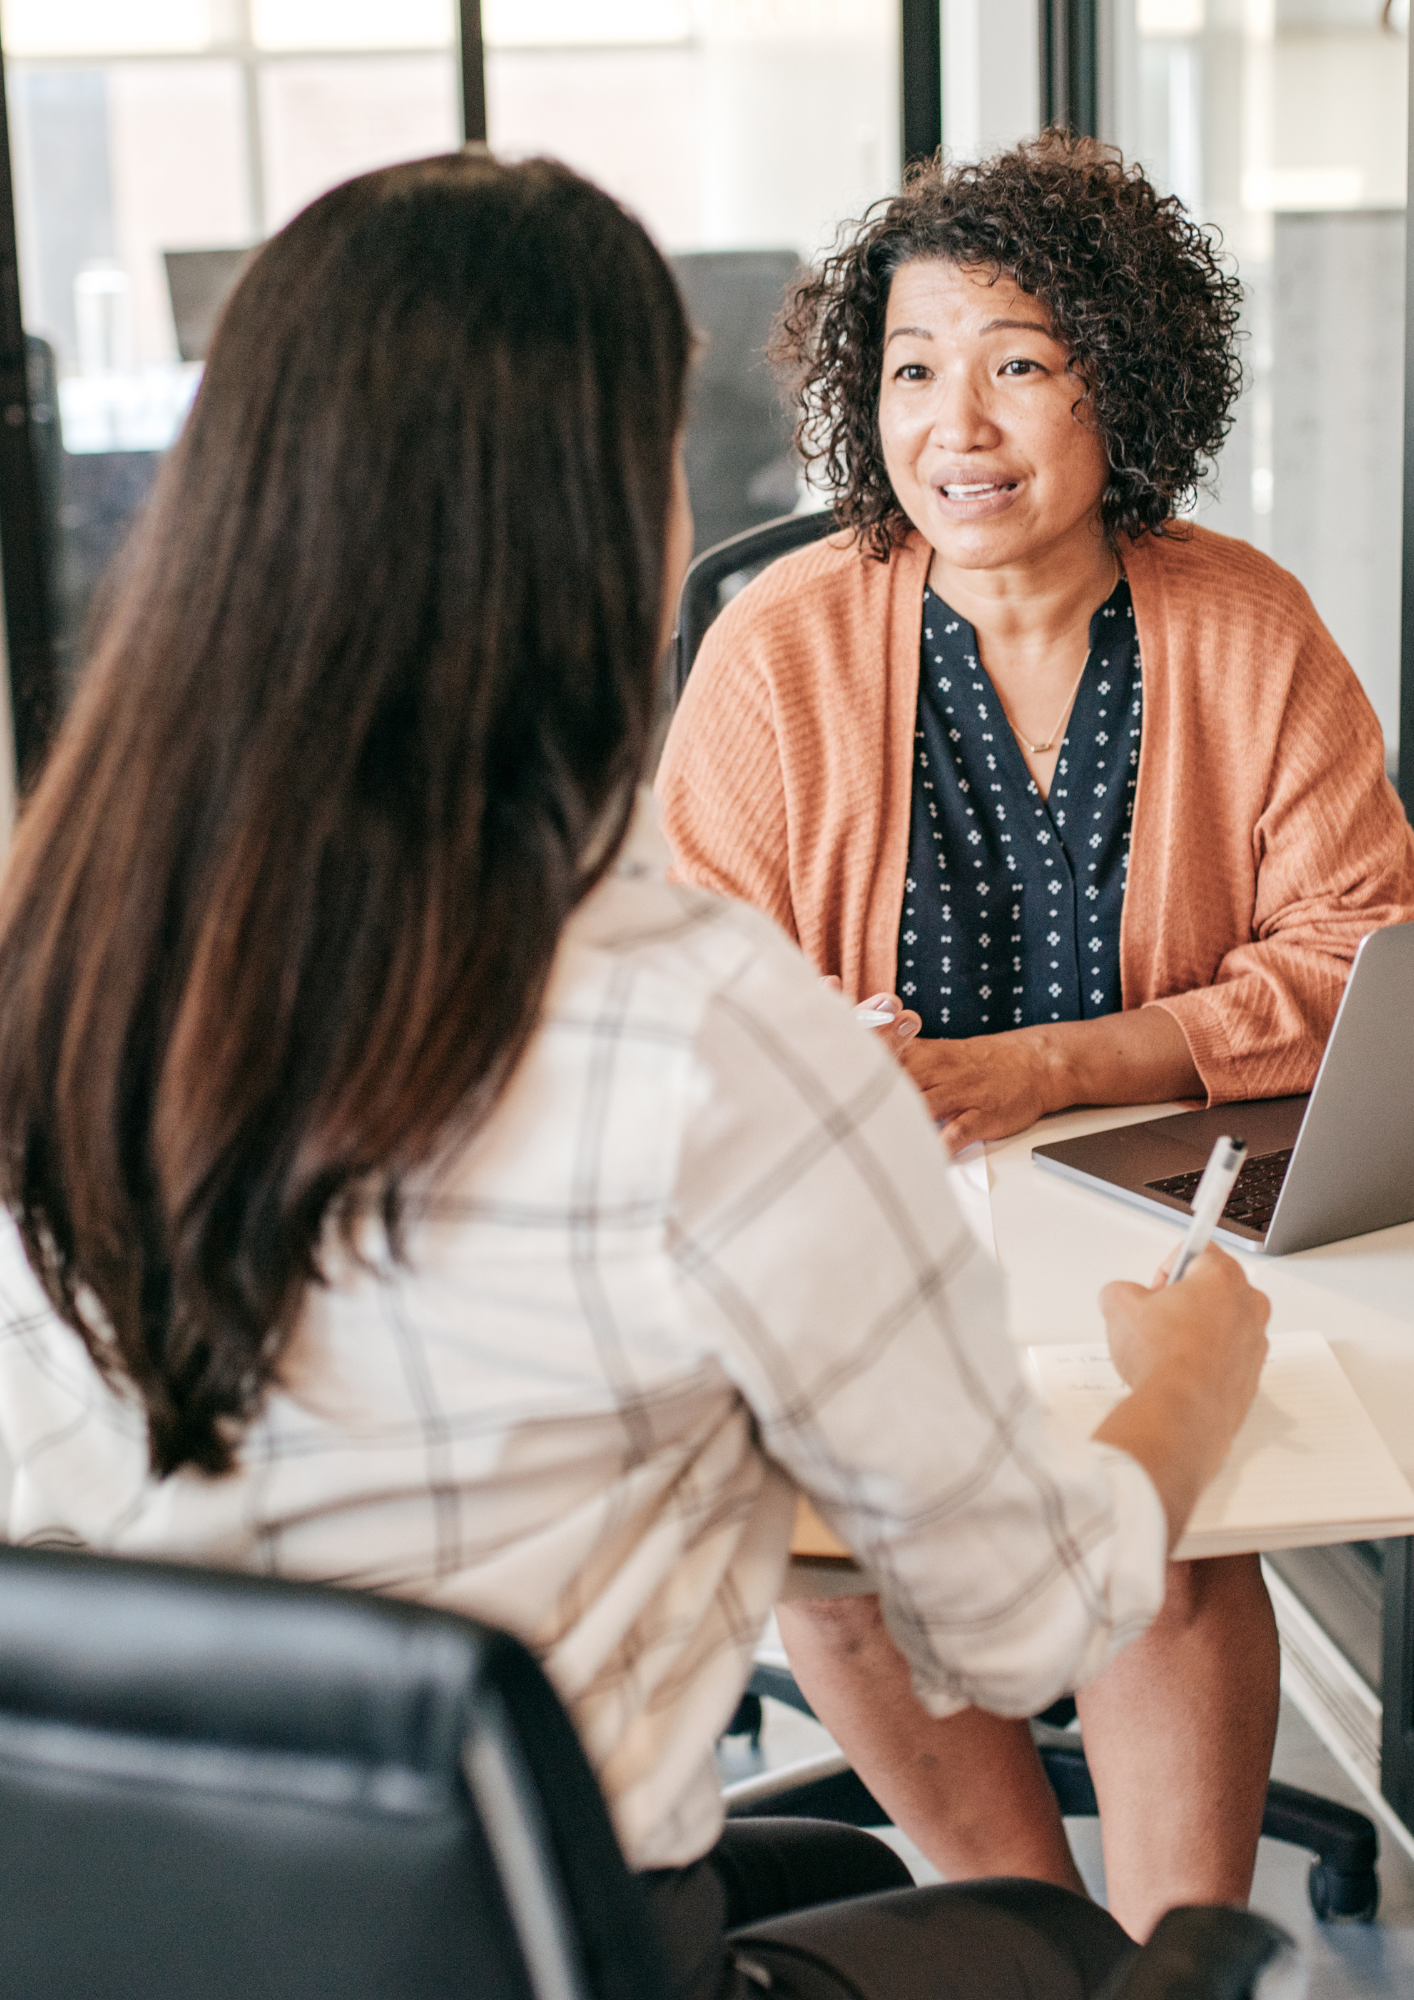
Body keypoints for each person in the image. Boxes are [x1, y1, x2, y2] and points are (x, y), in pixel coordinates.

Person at [0, 151, 1269, 2000]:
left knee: (823, 1854)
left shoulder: (60, 968)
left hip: (112, 1933)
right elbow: (1015, 1616)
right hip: (524, 1949)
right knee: (1049, 1939)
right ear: (594, 524)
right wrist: (1181, 1393)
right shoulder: (695, 1029)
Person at [656, 132, 1414, 1940]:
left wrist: (1051, 1069)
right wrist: (799, 1053)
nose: (959, 427)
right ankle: (1024, 1938)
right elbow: (679, 987)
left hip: (1154, 1196)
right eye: (913, 370)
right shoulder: (779, 648)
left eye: (1018, 362)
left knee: (1175, 1533)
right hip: (867, 1220)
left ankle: (1174, 1964)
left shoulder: (1244, 626)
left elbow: (1361, 946)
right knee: (827, 1555)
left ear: (1119, 382)